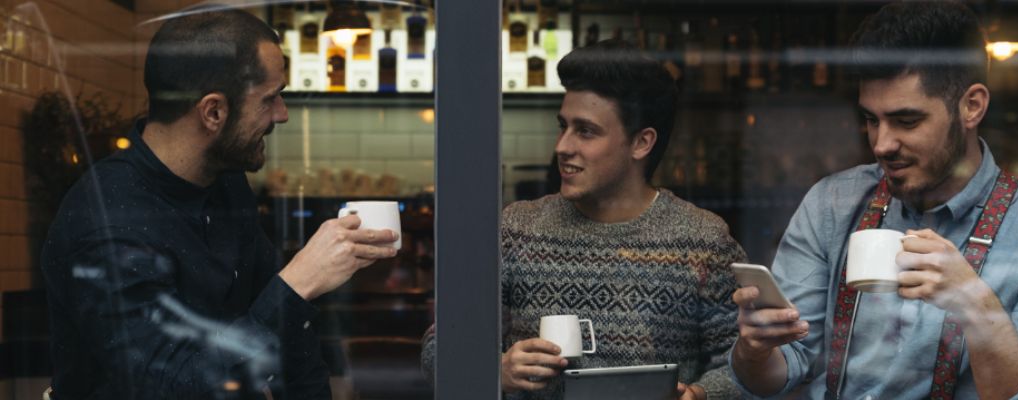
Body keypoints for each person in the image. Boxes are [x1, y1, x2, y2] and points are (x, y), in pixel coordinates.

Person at [730, 2, 1018, 399]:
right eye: (872, 120)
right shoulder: (832, 205)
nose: (882, 144)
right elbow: (779, 370)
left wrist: (977, 307)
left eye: (907, 121)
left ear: (971, 106)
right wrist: (754, 351)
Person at [39, 7, 399, 399]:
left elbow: (292, 345)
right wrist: (297, 283)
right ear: (213, 112)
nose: (283, 115)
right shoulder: (106, 222)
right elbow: (175, 386)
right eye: (270, 99)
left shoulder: (224, 182)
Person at [421, 39, 746, 399]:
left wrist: (700, 395)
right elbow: (439, 348)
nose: (562, 146)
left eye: (585, 131)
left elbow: (745, 365)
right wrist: (495, 370)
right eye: (563, 126)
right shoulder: (516, 230)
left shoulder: (702, 240)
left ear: (642, 142)